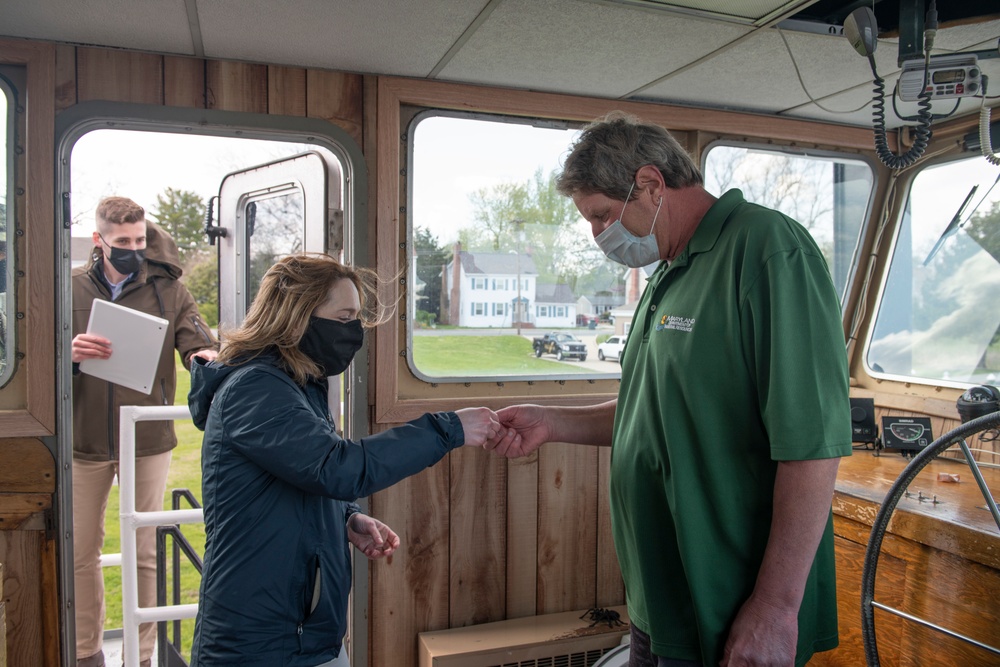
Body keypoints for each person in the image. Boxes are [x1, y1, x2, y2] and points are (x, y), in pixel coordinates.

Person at [487, 113, 852, 667]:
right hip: (660, 595)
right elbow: (653, 409)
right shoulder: (668, 268)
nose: (599, 235)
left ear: (651, 185)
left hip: (727, 601)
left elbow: (813, 441)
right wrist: (553, 422)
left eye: (603, 216)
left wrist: (776, 608)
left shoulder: (768, 249)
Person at [187, 253, 501, 667]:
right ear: (297, 316)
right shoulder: (257, 389)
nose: (354, 331)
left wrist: (345, 518)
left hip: (302, 631)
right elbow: (336, 468)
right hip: (260, 642)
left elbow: (299, 479)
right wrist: (449, 429)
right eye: (344, 316)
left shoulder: (296, 384)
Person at [71, 196, 219, 667]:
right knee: (80, 551)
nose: (132, 249)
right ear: (99, 241)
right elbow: (34, 359)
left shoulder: (170, 291)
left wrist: (203, 358)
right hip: (82, 439)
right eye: (121, 242)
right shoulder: (68, 288)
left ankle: (142, 656)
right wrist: (70, 354)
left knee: (145, 549)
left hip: (147, 440)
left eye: (139, 240)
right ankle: (86, 653)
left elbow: (198, 341)